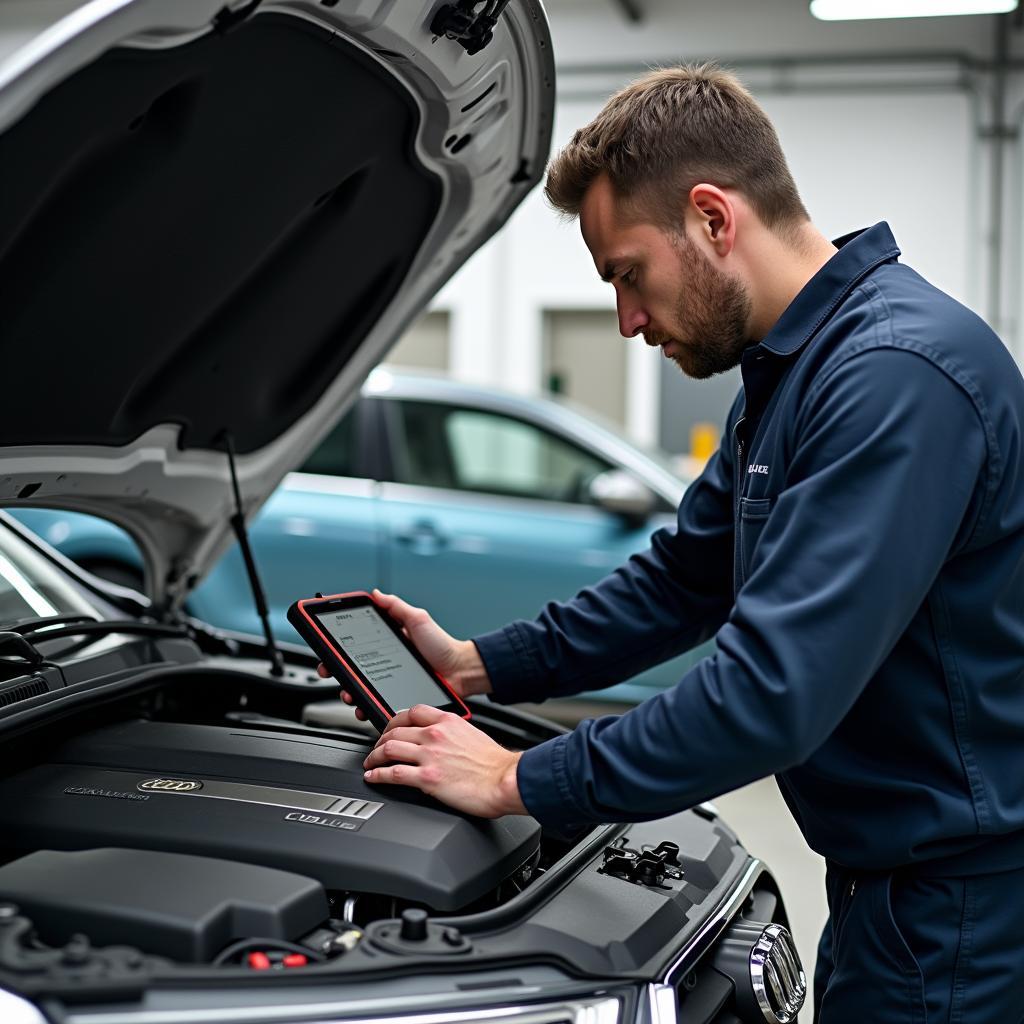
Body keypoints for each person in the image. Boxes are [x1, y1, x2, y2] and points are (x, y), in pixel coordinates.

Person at [324, 65, 1024, 1021]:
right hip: (895, 896)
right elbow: (681, 583)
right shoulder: (790, 376)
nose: (626, 320)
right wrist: (477, 666)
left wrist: (519, 778)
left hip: (964, 919)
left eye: (627, 275)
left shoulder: (894, 378)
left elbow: (772, 693)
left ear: (712, 218)